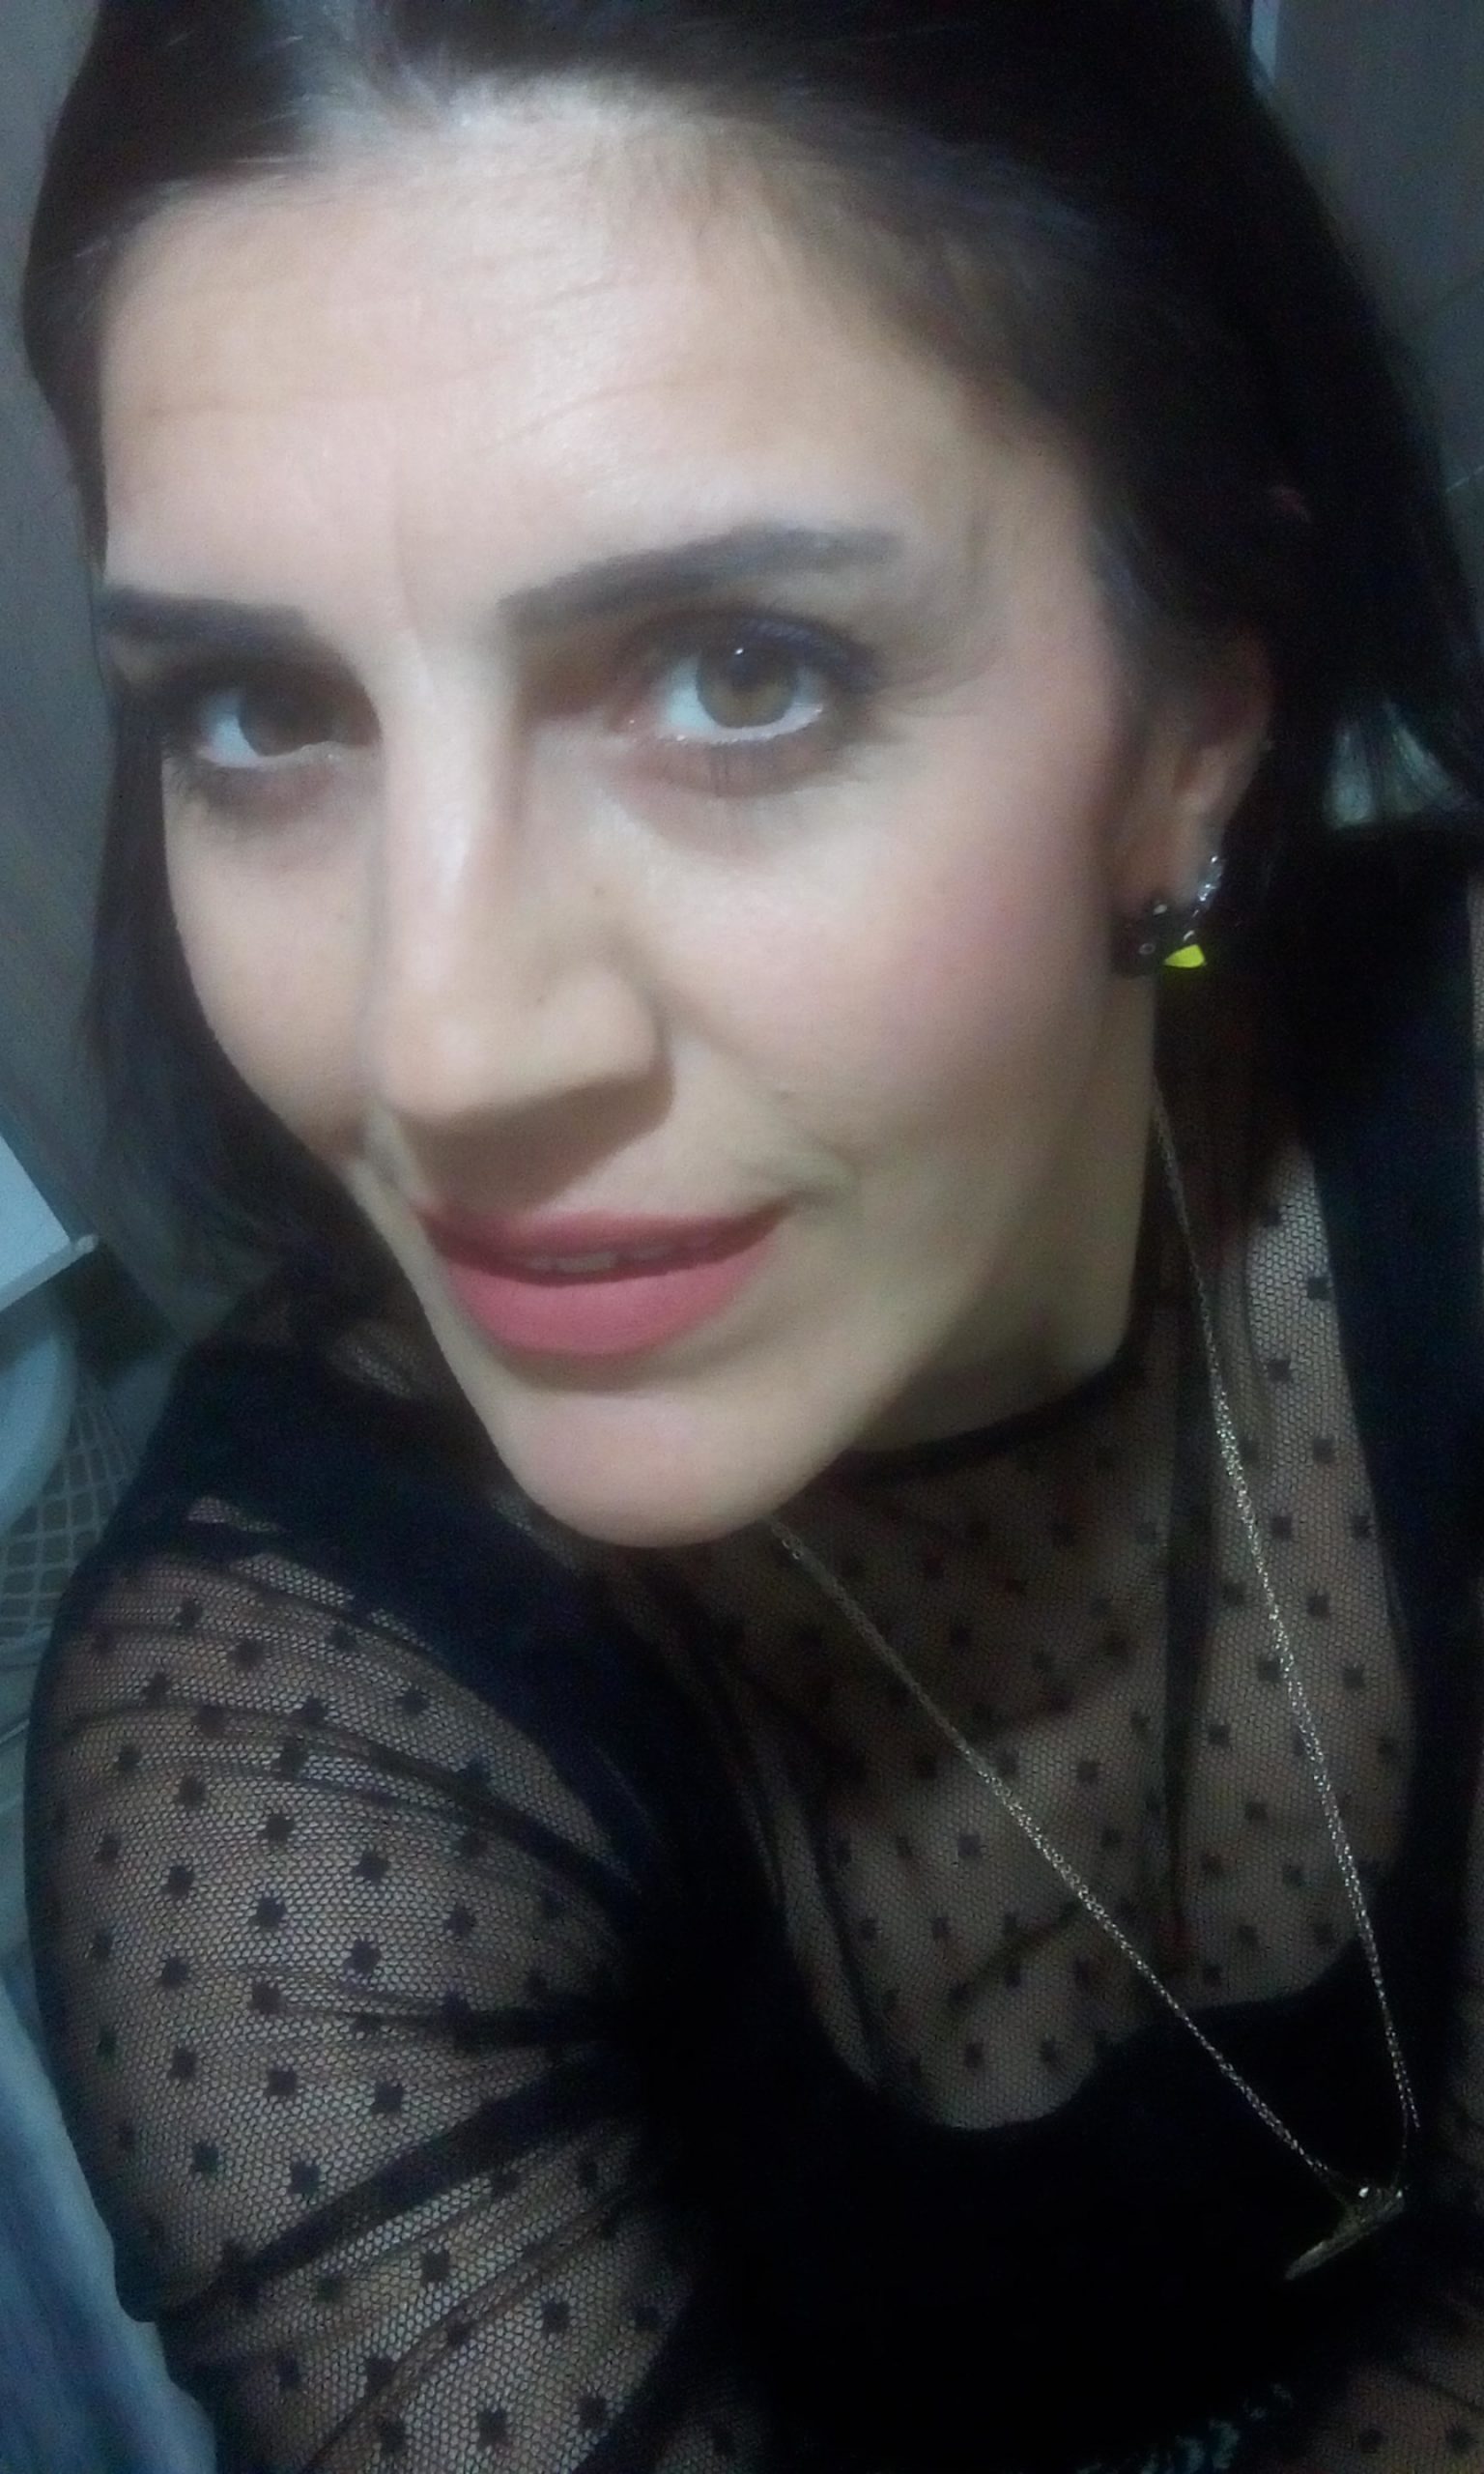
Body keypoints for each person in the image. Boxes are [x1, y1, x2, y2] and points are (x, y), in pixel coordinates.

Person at [17, 0, 1484, 2465]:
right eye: (258, 709)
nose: (434, 1045)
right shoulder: (275, 1775)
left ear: (1195, 735)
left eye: (738, 670)